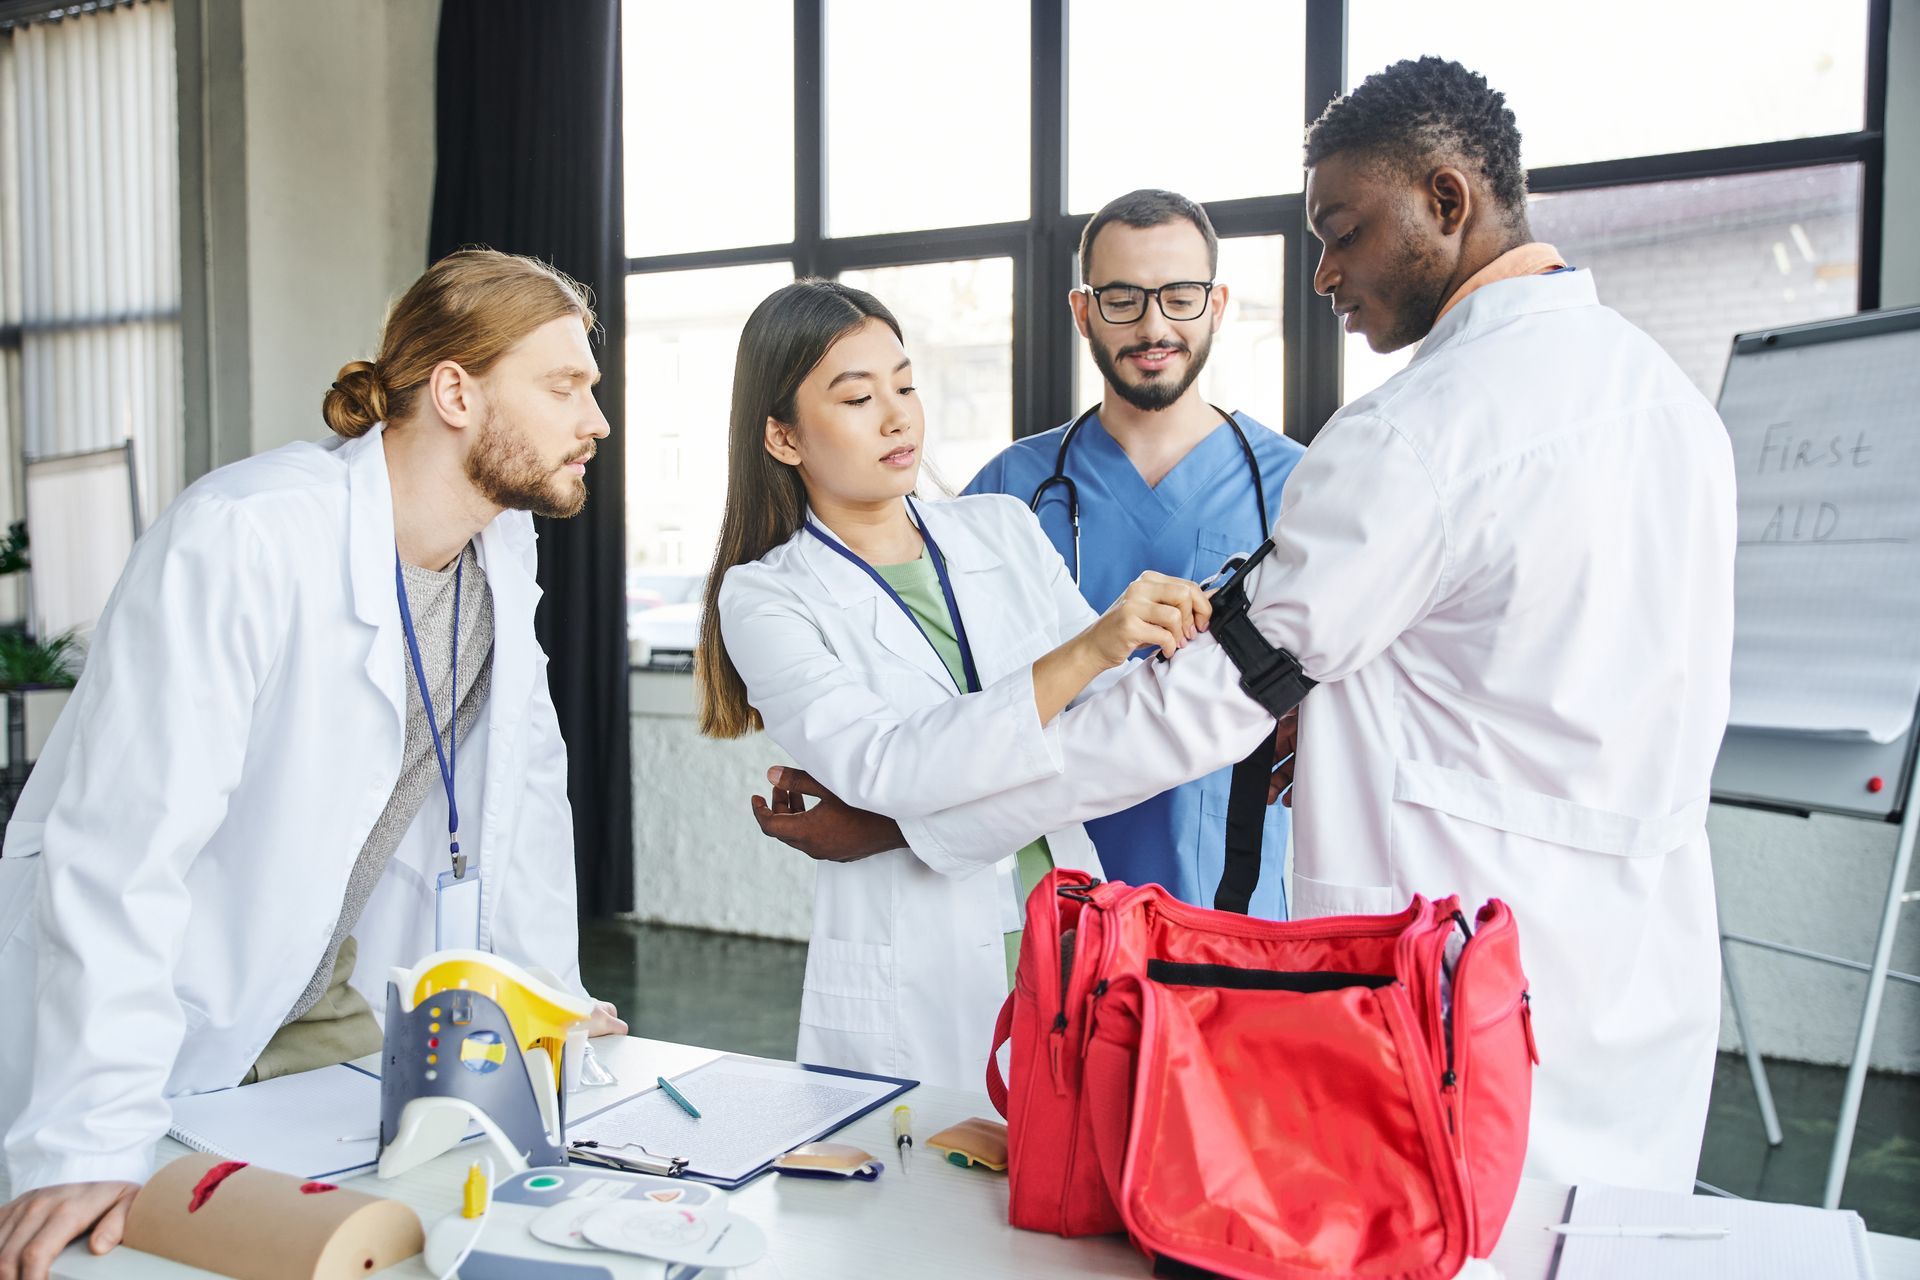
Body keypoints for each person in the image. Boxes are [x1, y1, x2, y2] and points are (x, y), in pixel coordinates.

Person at [749, 58, 1736, 1192]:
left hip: (1449, 965)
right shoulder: (1669, 401)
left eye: (1342, 231)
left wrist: (917, 811)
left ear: (1447, 203)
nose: (1323, 273)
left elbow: (1195, 705)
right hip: (1635, 971)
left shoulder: (1412, 434)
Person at [0, 249, 629, 1279]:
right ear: (457, 391)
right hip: (146, 1004)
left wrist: (542, 995)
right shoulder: (245, 537)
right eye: (565, 386)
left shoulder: (499, 555)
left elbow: (522, 788)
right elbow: (121, 848)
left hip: (315, 988)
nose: (595, 419)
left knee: (402, 1234)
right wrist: (87, 1127)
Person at [699, 279, 1212, 1089]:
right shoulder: (766, 596)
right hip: (920, 965)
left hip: (1068, 921)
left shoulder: (1000, 526)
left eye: (905, 385)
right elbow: (891, 770)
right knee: (933, 1202)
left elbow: (1114, 727)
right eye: (859, 397)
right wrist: (1089, 650)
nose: (899, 416)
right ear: (783, 437)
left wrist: (1185, 653)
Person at [963, 189, 1305, 917]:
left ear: (1216, 304)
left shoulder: (1301, 488)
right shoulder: (1009, 491)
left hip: (1232, 910)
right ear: (1082, 310)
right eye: (1122, 298)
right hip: (1047, 911)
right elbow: (950, 701)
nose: (1153, 325)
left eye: (1179, 296)